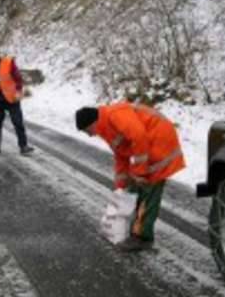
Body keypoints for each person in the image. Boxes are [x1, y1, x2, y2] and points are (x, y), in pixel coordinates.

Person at [75, 102, 185, 251]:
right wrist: (121, 185)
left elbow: (139, 137)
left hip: (159, 141)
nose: (90, 135)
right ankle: (135, 229)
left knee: (148, 189)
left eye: (88, 131)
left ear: (93, 122)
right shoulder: (105, 127)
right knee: (133, 187)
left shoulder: (114, 115)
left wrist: (140, 172)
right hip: (148, 144)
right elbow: (121, 156)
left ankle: (142, 238)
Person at [0, 45, 33, 155]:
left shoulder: (8, 62)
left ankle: (23, 146)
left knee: (18, 123)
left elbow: (18, 78)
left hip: (12, 99)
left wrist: (19, 91)